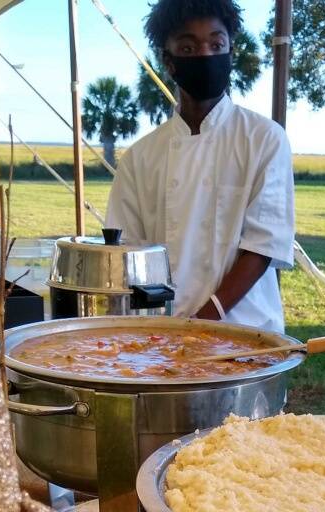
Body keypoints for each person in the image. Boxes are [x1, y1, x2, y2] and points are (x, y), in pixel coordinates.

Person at [106, 0, 294, 333]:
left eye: (216, 44)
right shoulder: (140, 157)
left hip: (245, 335)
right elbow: (126, 255)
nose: (205, 55)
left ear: (231, 51)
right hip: (159, 338)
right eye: (189, 47)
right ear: (169, 61)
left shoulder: (264, 139)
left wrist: (203, 322)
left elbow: (262, 247)